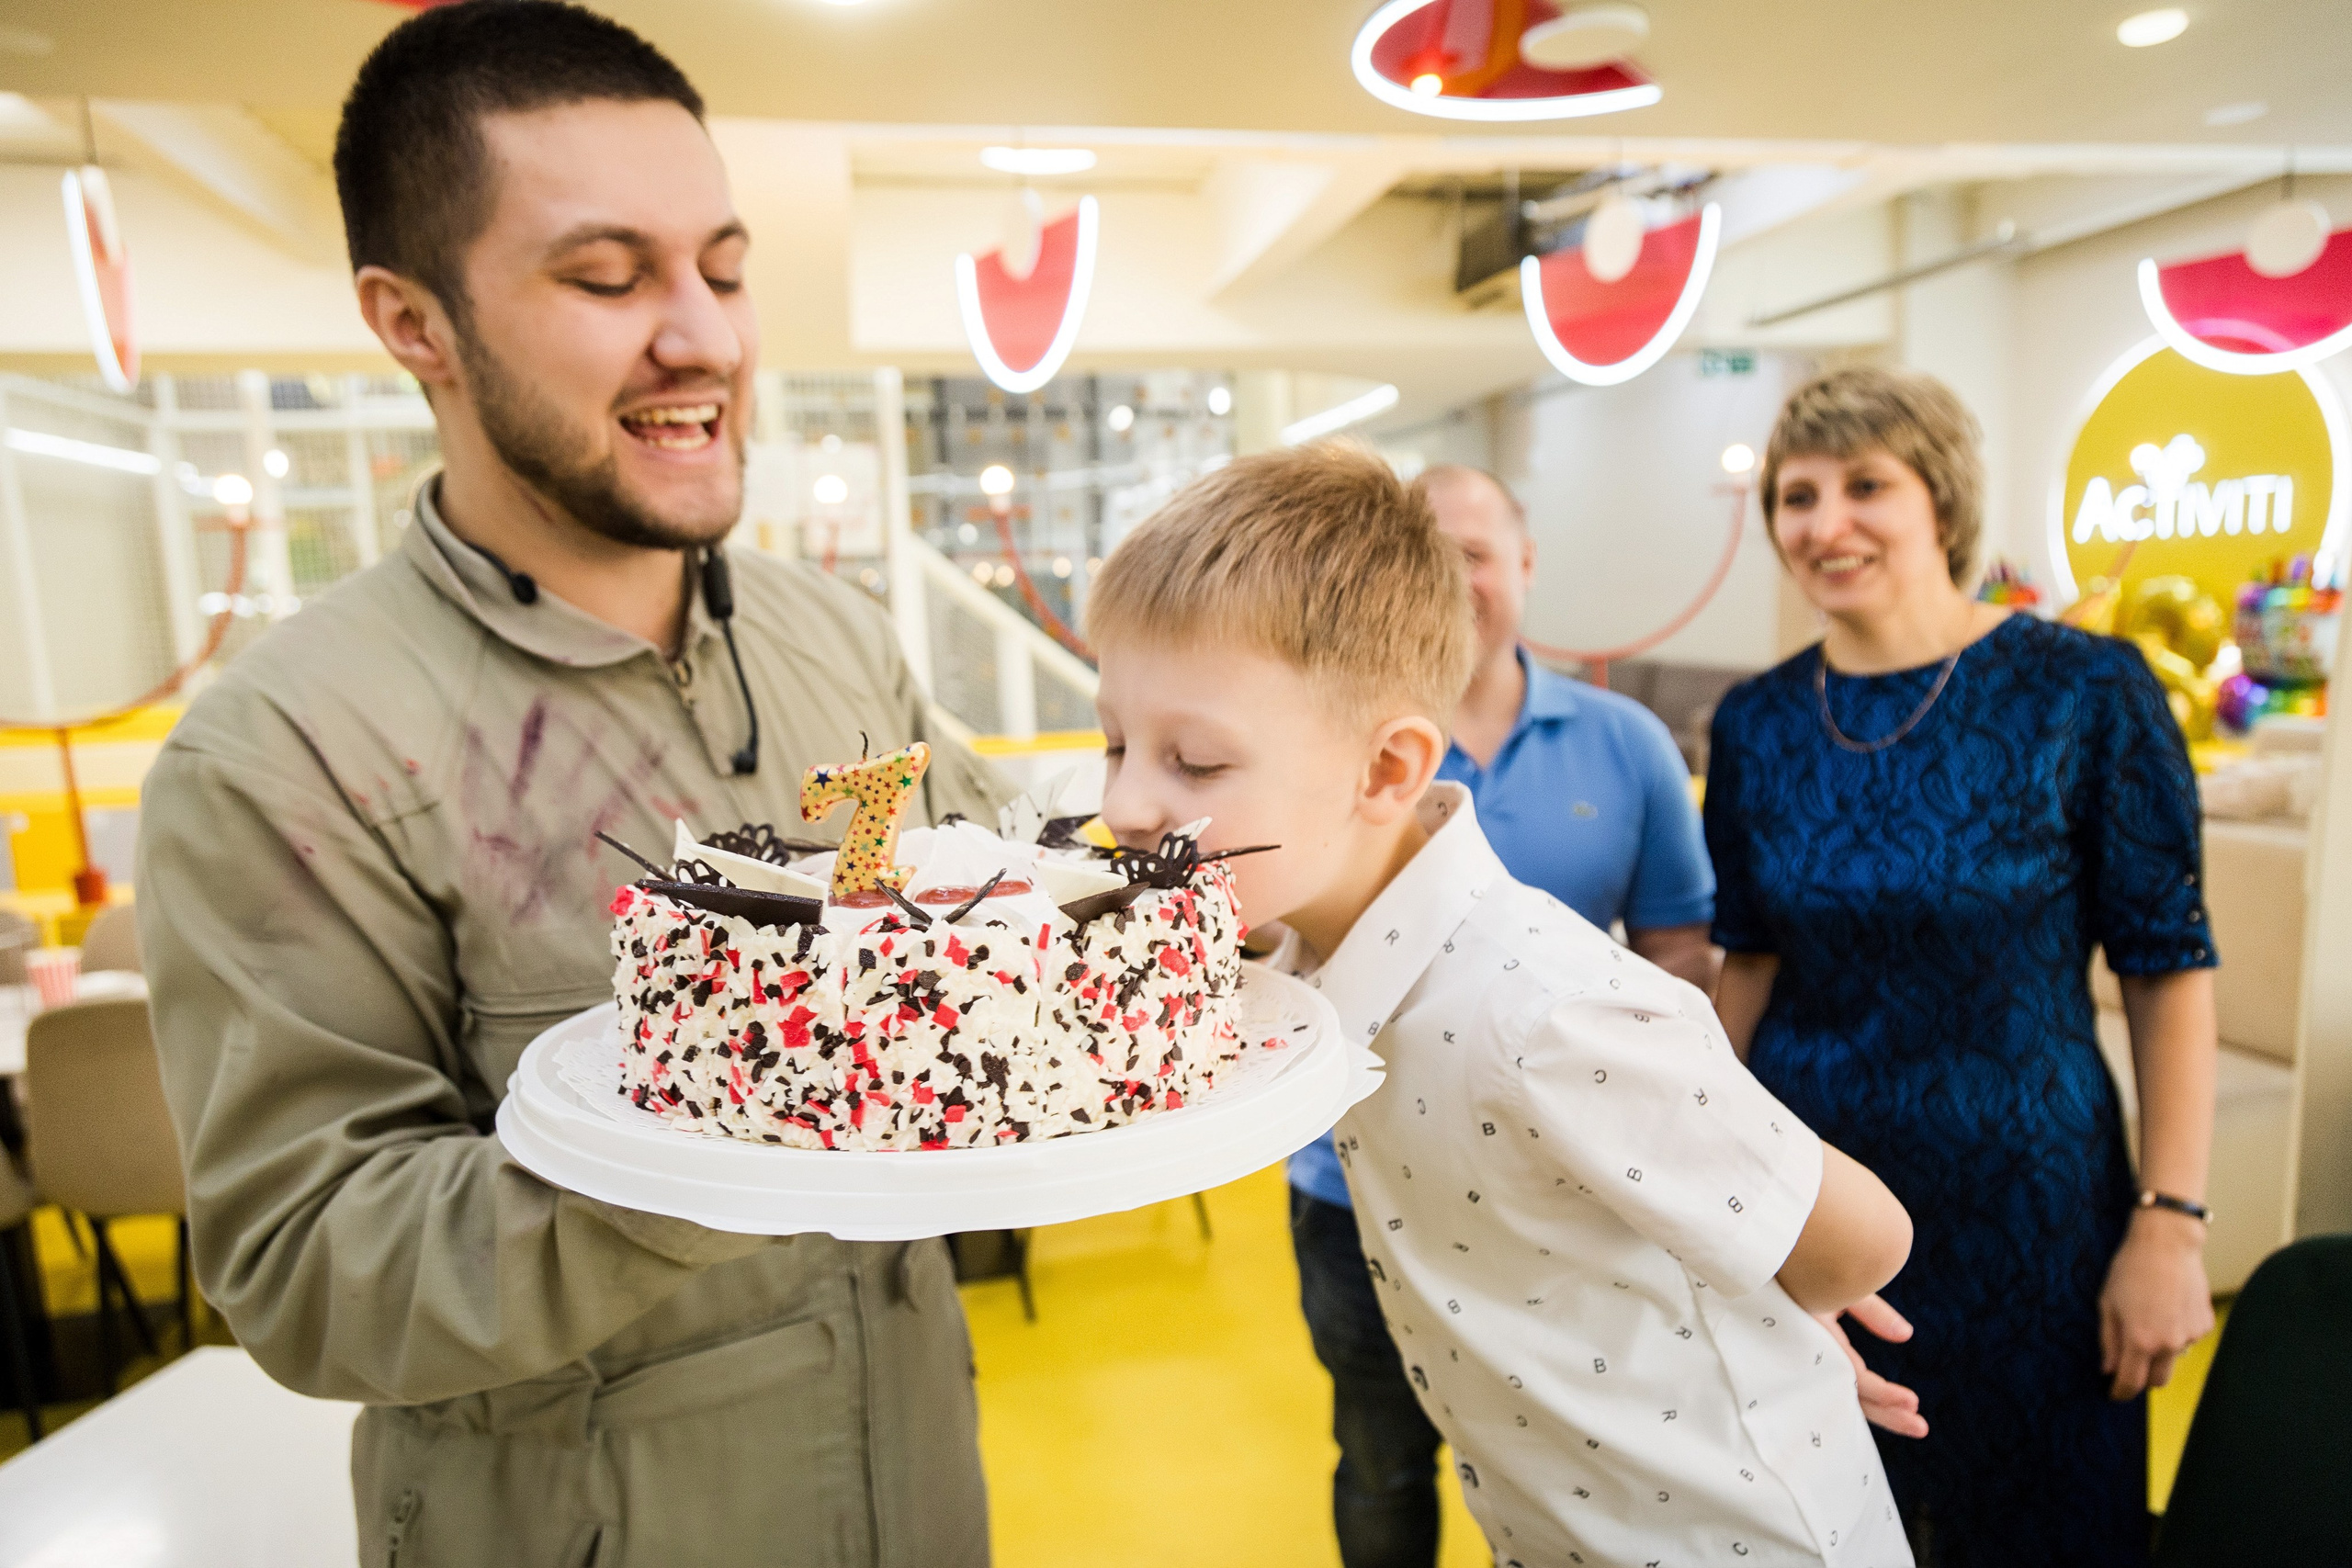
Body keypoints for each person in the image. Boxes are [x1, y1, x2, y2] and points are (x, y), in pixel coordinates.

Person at [134, 6, 1004, 1564]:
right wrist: (753, 1118)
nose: (708, 339)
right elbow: (310, 1262)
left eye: (723, 270)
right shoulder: (294, 751)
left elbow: (947, 871)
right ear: (415, 323)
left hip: (919, 1488)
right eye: (609, 279)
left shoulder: (835, 641)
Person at [1090, 443, 1918, 1567]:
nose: (1127, 803)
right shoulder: (1310, 972)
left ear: (1386, 772)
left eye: (1190, 762)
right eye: (1116, 745)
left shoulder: (1543, 1016)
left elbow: (1863, 1236)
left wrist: (1774, 1279)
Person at [1704, 367, 2219, 1567]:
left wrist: (2172, 1228)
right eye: (1797, 494)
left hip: (2032, 1214)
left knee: (2039, 1525)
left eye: (1865, 485)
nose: (1825, 522)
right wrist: (1698, 1178)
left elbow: (2167, 965)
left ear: (1939, 499)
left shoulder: (2085, 692)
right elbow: (1750, 963)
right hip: (1811, 1198)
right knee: (1820, 1517)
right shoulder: (1758, 722)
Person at [1282, 461, 1718, 1567]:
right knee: (1379, 1459)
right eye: (1426, 552)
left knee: (1569, 1471)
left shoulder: (1625, 746)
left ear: (1524, 566)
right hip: (1355, 1192)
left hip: (1576, 1193)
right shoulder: (1325, 757)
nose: (1455, 577)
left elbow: (1677, 956)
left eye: (1475, 551)